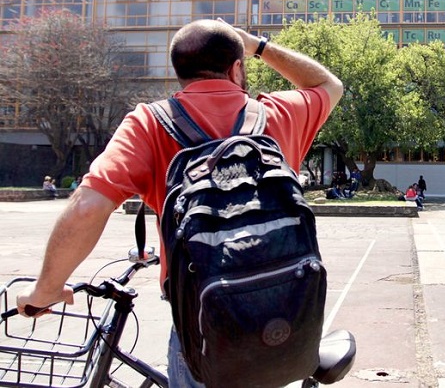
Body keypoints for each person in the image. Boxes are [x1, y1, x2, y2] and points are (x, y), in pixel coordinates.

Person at [16, 19, 343, 387]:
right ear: (237, 67)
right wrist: (258, 46)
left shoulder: (150, 123)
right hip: (285, 311)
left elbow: (87, 207)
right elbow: (329, 84)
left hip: (200, 320)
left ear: (180, 72)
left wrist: (46, 289)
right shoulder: (279, 114)